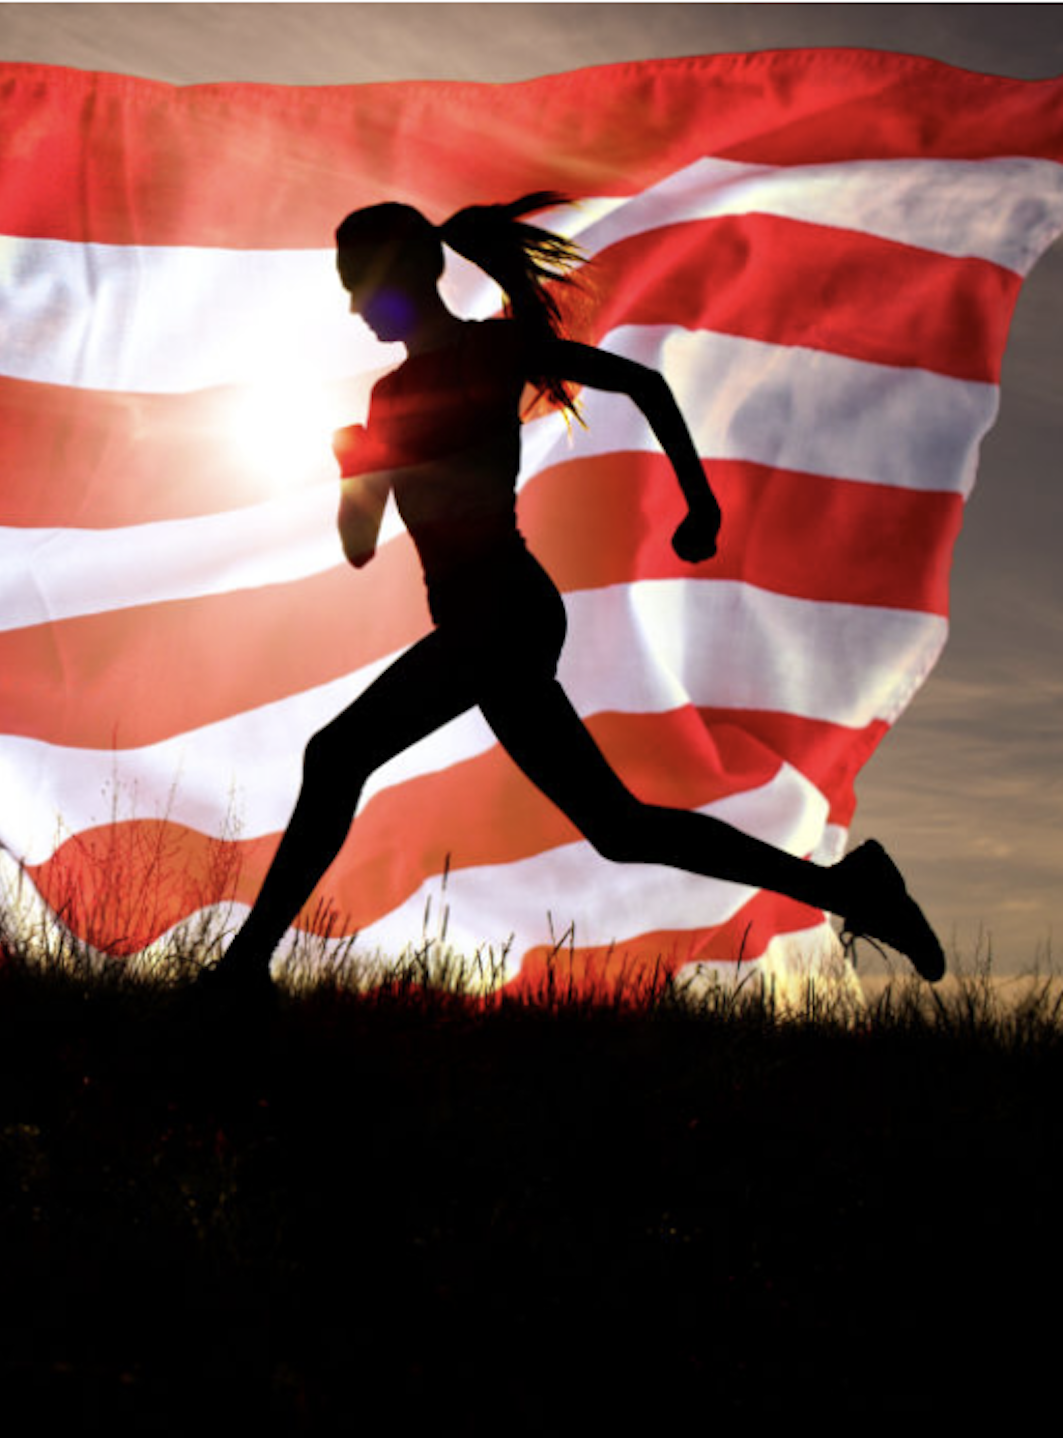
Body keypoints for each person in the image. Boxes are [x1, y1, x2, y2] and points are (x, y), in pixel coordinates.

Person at [202, 192, 945, 996]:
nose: (353, 307)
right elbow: (357, 548)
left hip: (506, 610)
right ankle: (851, 888)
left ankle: (242, 969)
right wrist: (353, 471)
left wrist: (701, 502)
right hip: (478, 621)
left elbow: (644, 385)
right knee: (620, 829)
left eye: (362, 284)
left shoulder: (492, 354)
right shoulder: (387, 401)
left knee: (336, 754)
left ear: (414, 273)